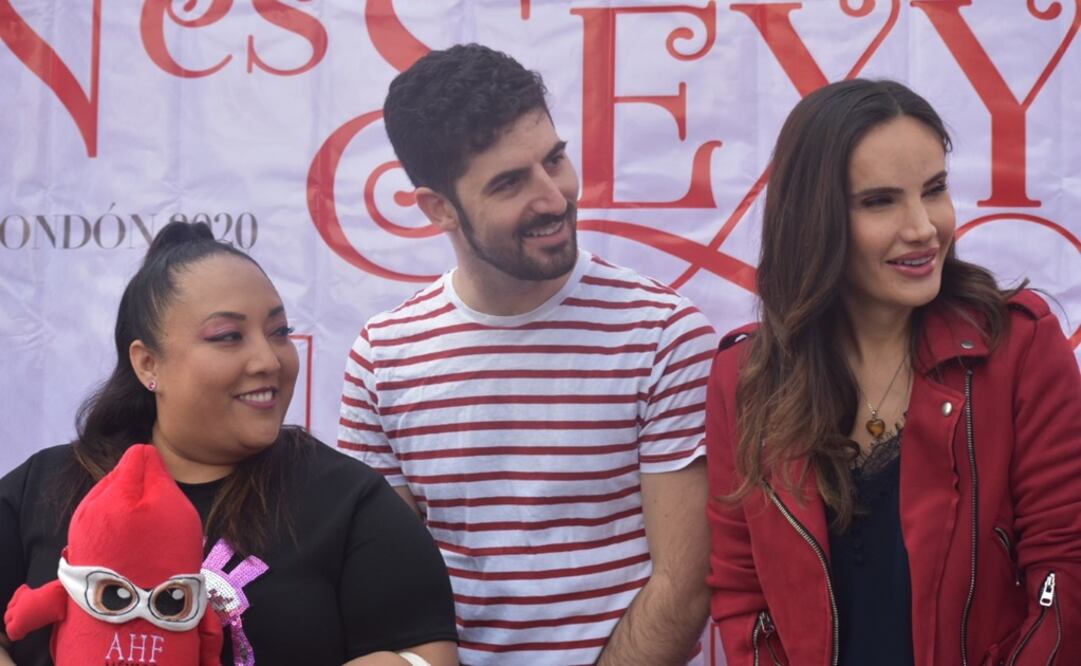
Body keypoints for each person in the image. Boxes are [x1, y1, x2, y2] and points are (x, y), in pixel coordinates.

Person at [337, 44, 715, 665]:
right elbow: (392, 594)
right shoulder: (383, 356)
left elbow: (684, 583)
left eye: (555, 160)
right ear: (438, 208)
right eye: (510, 182)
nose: (554, 198)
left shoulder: (663, 334)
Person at [705, 78, 1081, 665]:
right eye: (880, 201)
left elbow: (1065, 568)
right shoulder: (745, 379)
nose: (923, 227)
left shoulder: (1019, 347)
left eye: (934, 190)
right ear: (815, 219)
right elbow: (742, 593)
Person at [0, 222, 459, 666]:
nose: (267, 360)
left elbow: (427, 654)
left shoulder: (348, 500)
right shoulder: (45, 488)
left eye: (279, 332)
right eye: (228, 337)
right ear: (147, 364)